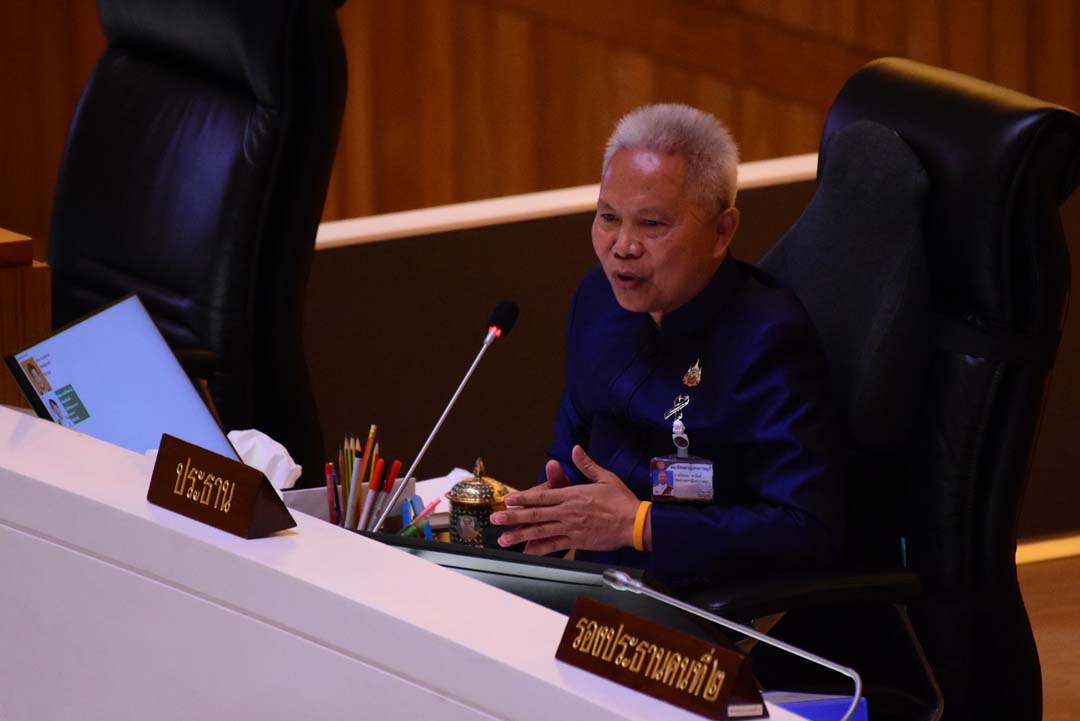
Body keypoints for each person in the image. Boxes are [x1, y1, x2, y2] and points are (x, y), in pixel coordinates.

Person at [490, 103, 842, 591]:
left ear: (722, 231)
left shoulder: (769, 338)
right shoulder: (597, 300)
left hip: (706, 602)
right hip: (592, 588)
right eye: (608, 217)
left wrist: (639, 524)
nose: (623, 246)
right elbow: (571, 455)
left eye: (652, 224)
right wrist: (541, 511)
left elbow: (806, 529)